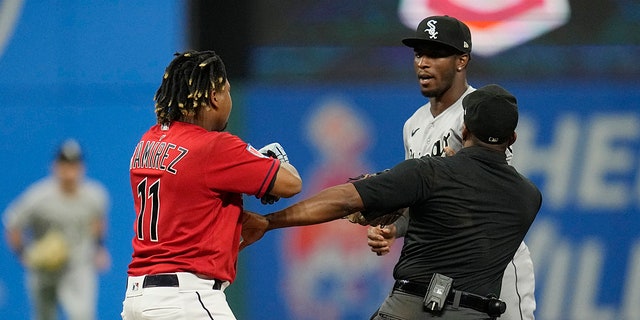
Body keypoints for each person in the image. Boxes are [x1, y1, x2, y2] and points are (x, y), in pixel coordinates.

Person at [241, 84, 542, 319]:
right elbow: (463, 206)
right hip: (472, 312)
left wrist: (269, 222)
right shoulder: (529, 198)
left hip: (410, 307)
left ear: (463, 129)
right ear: (513, 138)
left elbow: (346, 199)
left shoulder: (430, 172)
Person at [366, 15, 537, 320]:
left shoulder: (481, 111)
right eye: (419, 54)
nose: (423, 63)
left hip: (493, 262)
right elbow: (423, 202)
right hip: (443, 268)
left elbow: (493, 191)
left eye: (435, 54)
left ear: (461, 61)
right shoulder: (414, 124)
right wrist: (395, 228)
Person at [121, 50, 302, 320]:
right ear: (214, 97)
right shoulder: (215, 146)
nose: (229, 98)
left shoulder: (147, 141)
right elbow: (291, 183)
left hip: (137, 297)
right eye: (227, 91)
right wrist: (269, 160)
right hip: (186, 299)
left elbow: (188, 202)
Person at [3, 138, 110, 320]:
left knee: (82, 316)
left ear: (82, 167)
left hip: (78, 266)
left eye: (74, 164)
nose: (69, 170)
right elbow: (12, 223)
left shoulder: (95, 195)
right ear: (55, 166)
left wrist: (99, 248)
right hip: (44, 270)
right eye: (64, 164)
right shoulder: (38, 197)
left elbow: (99, 221)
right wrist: (24, 255)